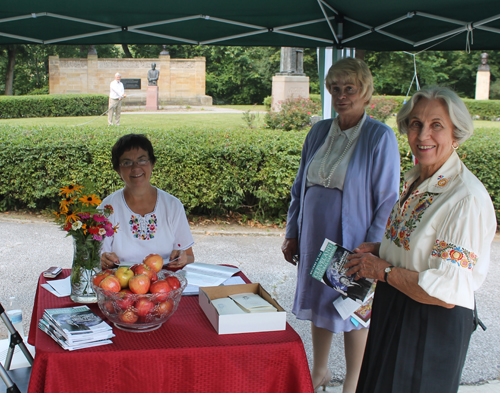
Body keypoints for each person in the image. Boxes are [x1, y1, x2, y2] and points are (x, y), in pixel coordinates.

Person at [345, 86, 497, 393]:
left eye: (436, 125)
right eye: (416, 123)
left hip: (430, 322)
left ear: (457, 134)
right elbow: (419, 244)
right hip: (397, 305)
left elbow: (445, 292)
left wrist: (383, 270)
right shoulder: (419, 178)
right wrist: (381, 249)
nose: (423, 134)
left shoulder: (465, 199)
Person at [281, 57, 400, 393]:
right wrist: (292, 231)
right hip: (315, 235)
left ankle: (353, 382)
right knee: (321, 299)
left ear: (365, 93)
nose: (342, 95)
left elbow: (388, 198)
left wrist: (372, 245)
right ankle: (319, 371)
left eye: (350, 89)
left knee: (353, 306)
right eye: (335, 88)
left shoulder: (380, 136)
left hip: (353, 237)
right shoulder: (319, 130)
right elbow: (298, 187)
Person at [100, 134, 194, 270]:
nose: (135, 167)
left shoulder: (173, 206)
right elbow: (97, 258)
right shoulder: (107, 208)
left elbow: (190, 257)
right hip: (121, 286)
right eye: (127, 163)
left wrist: (182, 259)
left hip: (164, 285)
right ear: (118, 170)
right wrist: (103, 259)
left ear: (152, 164)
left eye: (142, 160)